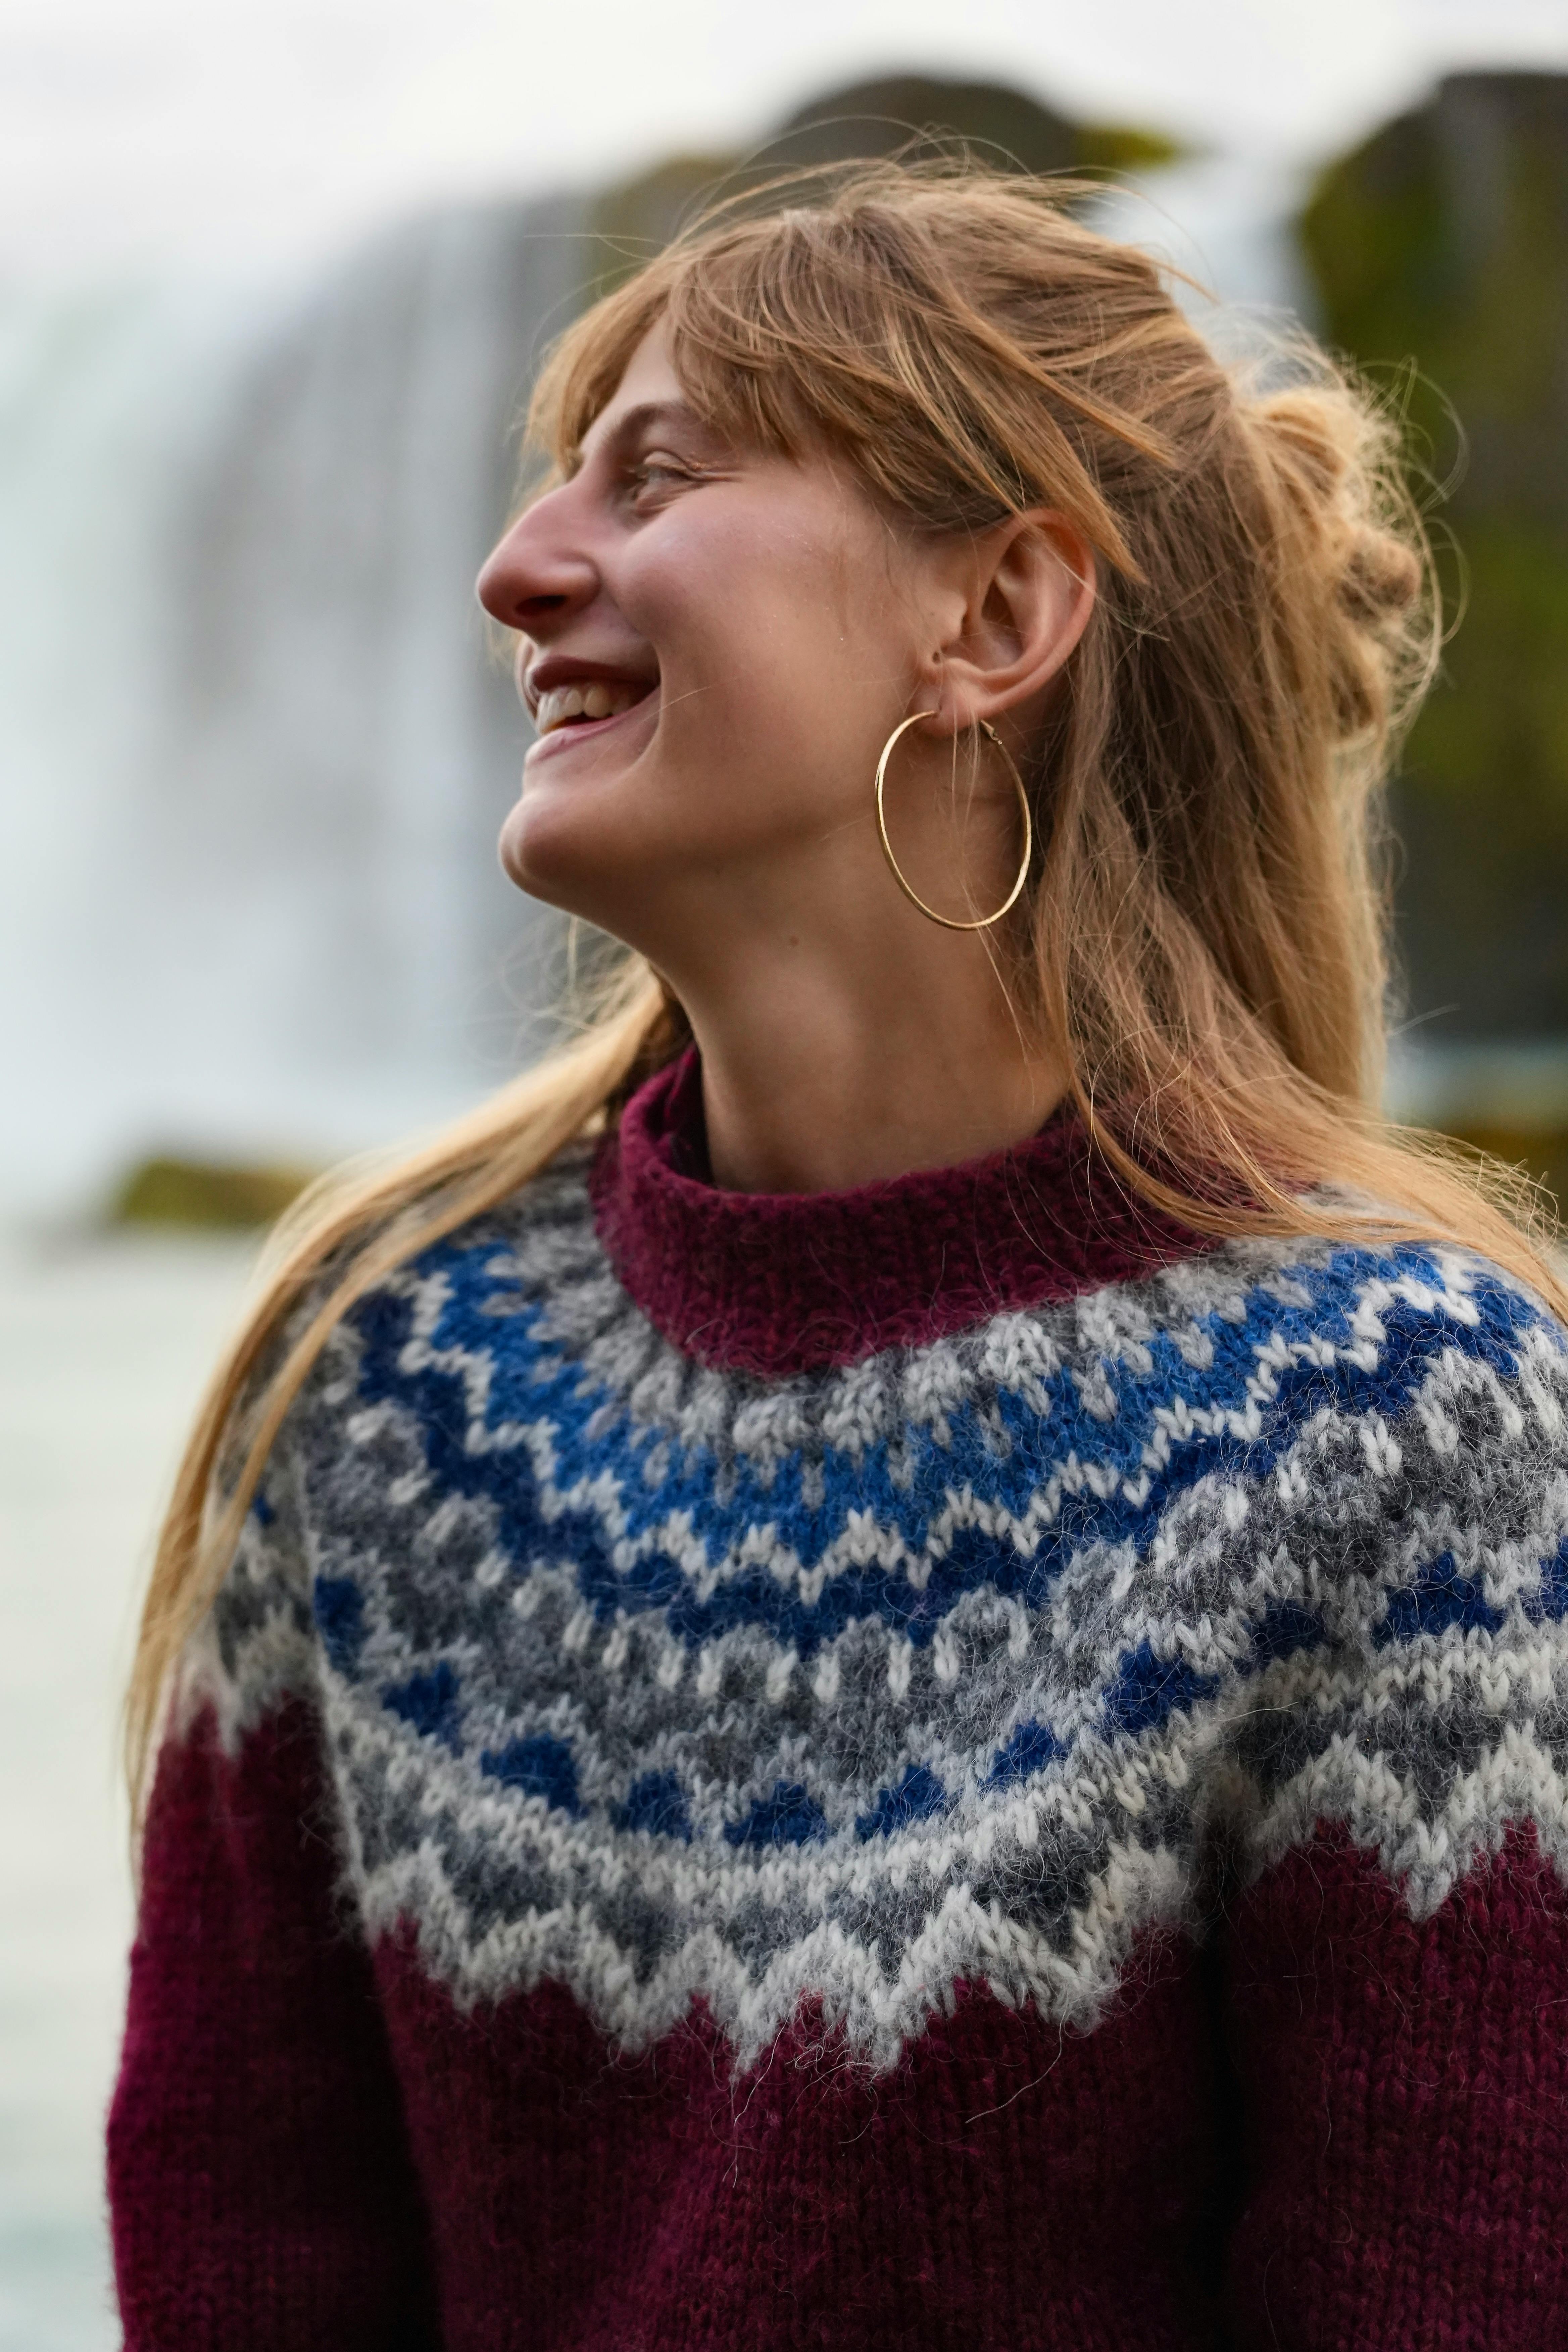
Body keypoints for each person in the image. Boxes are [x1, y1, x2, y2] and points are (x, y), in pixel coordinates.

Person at [108, 162, 1568, 2350]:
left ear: (992, 620)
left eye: (661, 471)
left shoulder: (1399, 1436)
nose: (518, 573)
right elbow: (248, 2266)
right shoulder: (376, 1375)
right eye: (553, 488)